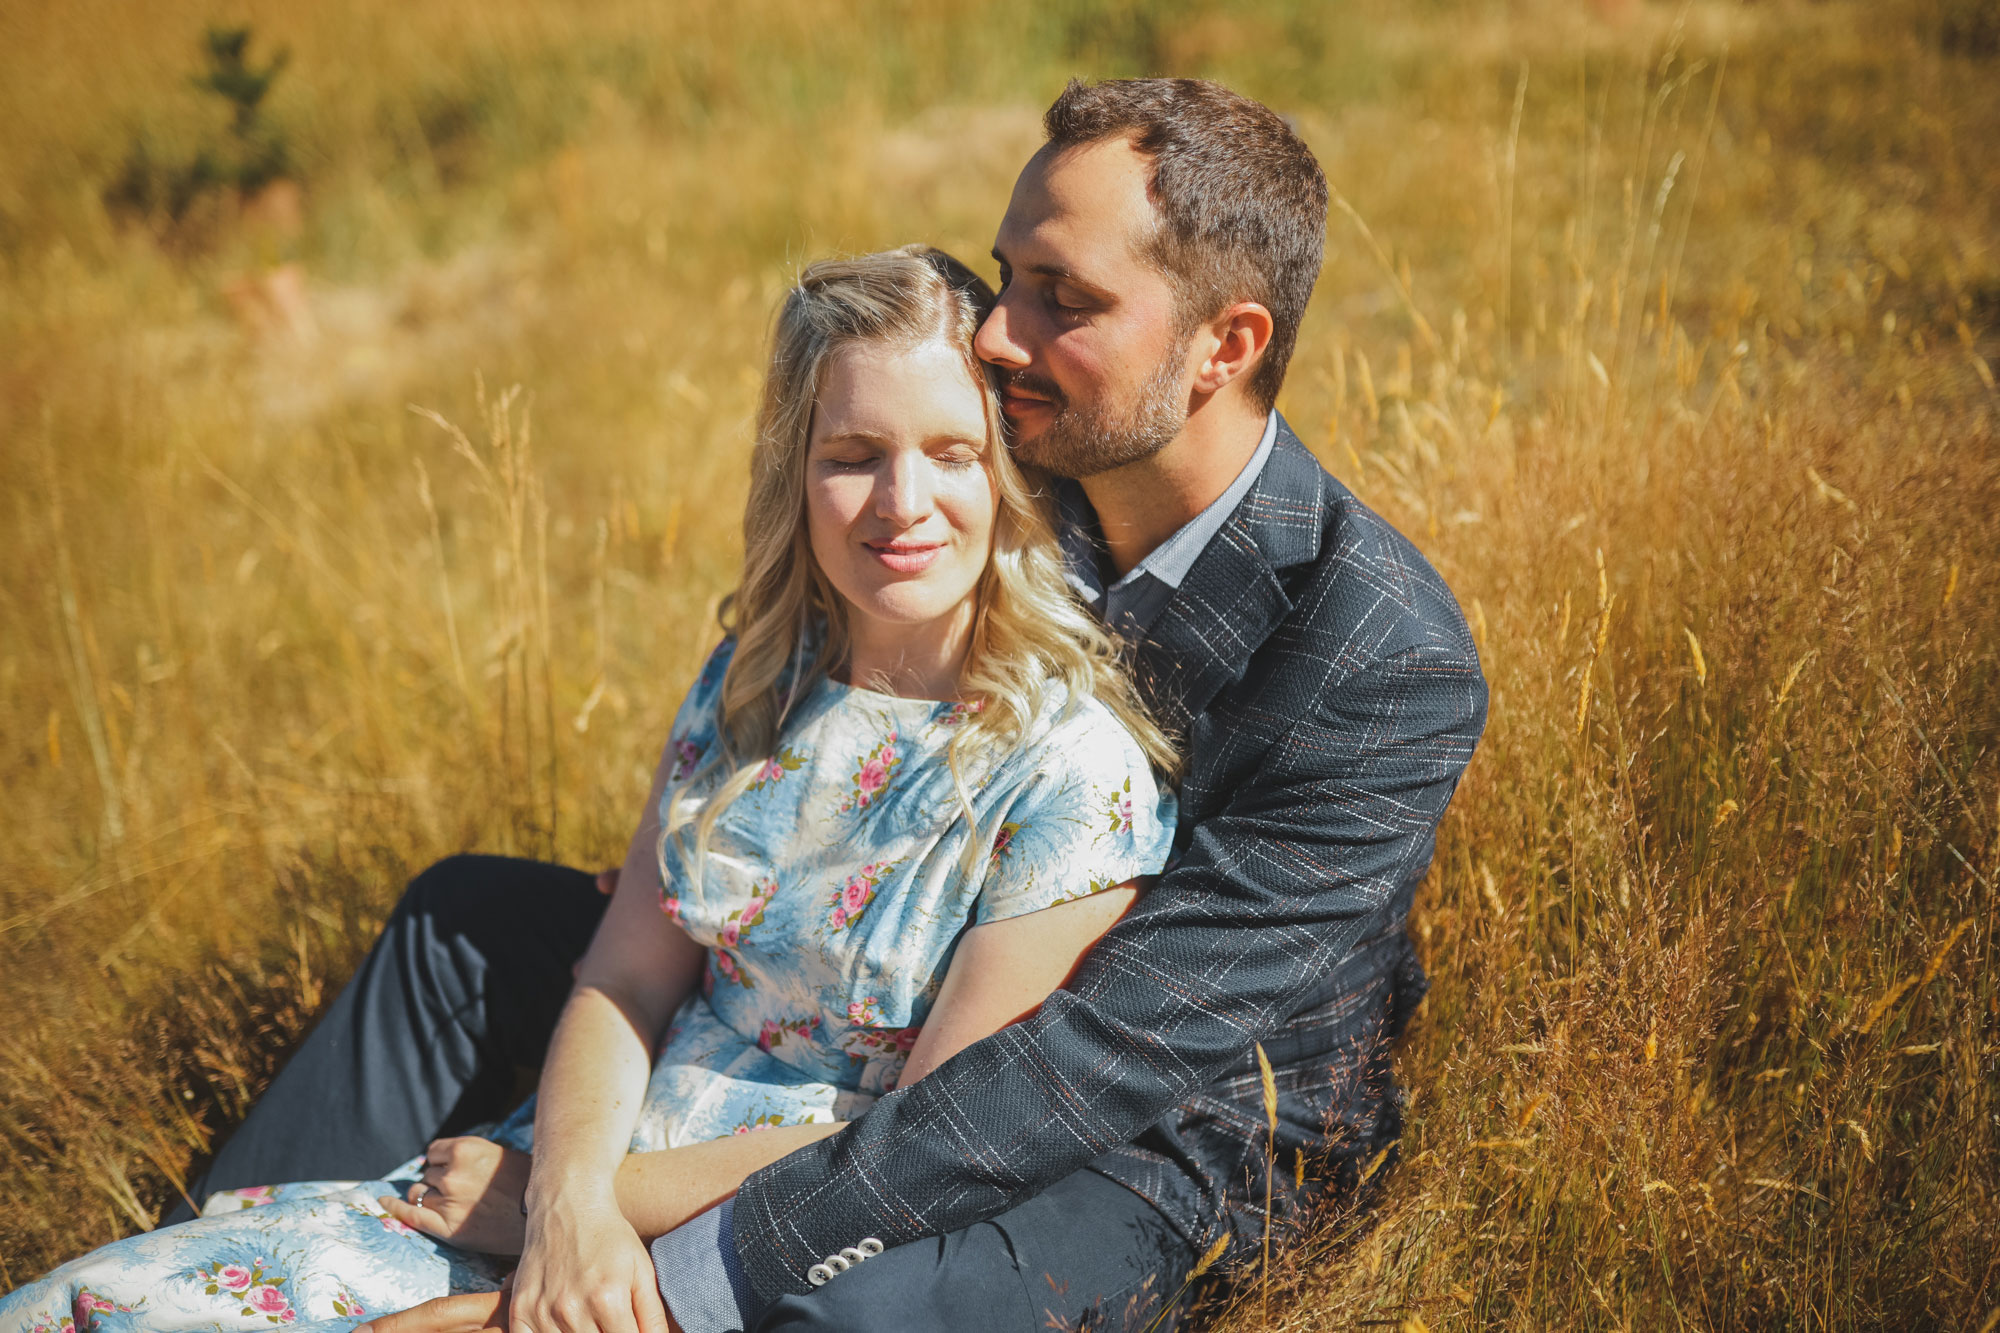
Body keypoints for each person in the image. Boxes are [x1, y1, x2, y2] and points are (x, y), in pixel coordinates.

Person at [182, 77, 1489, 1333]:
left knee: (864, 1300)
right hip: (902, 988)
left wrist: (593, 1226)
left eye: (1062, 299)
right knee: (464, 919)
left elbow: (1080, 1067)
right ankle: (214, 1254)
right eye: (1008, 273)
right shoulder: (1042, 460)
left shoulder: (1376, 654)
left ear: (1227, 346)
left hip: (1156, 1125)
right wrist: (758, 872)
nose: (994, 335)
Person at [0, 248, 1188, 1331]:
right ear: (795, 471)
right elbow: (622, 977)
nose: (901, 502)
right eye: (851, 456)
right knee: (103, 1303)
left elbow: (922, 1148)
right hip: (564, 1160)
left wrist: (585, 1221)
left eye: (950, 453)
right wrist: (562, 1193)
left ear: (1010, 470)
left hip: (756, 1249)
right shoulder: (757, 686)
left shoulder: (1066, 771)